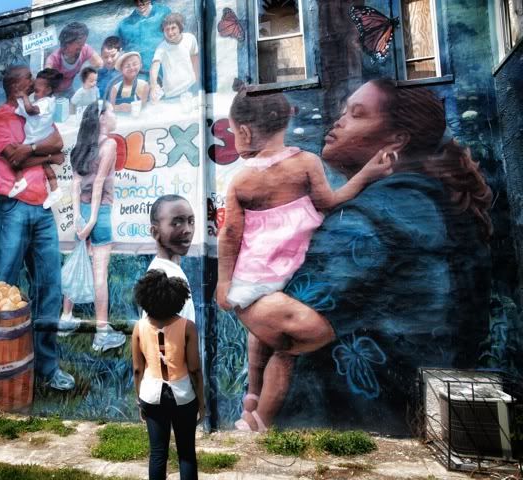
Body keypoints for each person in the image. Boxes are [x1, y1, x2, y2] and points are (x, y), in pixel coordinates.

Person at [219, 79, 493, 434]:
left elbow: (291, 326)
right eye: (344, 110)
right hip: (407, 417)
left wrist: (236, 296)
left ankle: (255, 411)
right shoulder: (424, 201)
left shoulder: (366, 221)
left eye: (356, 114)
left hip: (358, 425)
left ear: (396, 140)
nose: (339, 120)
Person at [216, 89, 393, 431]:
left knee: (262, 335)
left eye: (233, 131)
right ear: (285, 122)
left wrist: (224, 283)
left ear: (246, 132)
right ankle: (260, 420)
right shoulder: (307, 163)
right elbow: (330, 201)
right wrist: (366, 174)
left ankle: (252, 397)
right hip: (289, 275)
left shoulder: (241, 180)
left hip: (252, 279)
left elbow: (230, 234)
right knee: (284, 348)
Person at [0, 65, 75, 391]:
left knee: (50, 287)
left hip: (42, 210)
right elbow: (14, 159)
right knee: (5, 287)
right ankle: (0, 367)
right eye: (28, 78)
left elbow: (59, 147)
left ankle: (47, 369)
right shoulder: (1, 119)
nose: (35, 81)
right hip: (12, 208)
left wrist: (32, 150)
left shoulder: (38, 113)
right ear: (15, 86)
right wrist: (42, 154)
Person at [61, 101, 127, 353]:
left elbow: (75, 184)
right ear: (101, 118)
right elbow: (98, 183)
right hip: (100, 213)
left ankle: (66, 318)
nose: (114, 116)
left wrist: (79, 216)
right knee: (100, 273)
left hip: (83, 212)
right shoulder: (109, 145)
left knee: (77, 261)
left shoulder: (81, 146)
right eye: (111, 111)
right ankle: (101, 333)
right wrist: (91, 221)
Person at [132, 269, 205, 480]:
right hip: (183, 395)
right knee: (186, 454)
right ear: (176, 298)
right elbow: (194, 369)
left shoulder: (139, 327)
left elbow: (137, 369)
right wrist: (201, 402)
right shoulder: (188, 327)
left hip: (151, 395)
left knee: (157, 453)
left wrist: (140, 400)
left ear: (145, 297)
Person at [12, 68, 65, 210]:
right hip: (40, 136)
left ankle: (20, 181)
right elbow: (26, 111)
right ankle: (55, 189)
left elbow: (30, 111)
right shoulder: (44, 100)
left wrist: (24, 97)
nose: (34, 92)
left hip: (37, 138)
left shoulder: (45, 102)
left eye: (37, 89)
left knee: (15, 160)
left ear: (48, 90)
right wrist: (22, 98)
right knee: (45, 165)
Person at [145, 195, 196, 323]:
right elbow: (158, 333)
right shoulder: (162, 278)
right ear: (155, 232)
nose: (188, 230)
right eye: (177, 223)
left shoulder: (170, 270)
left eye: (191, 222)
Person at [149, 13, 199, 102]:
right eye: (167, 29)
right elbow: (154, 67)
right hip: (172, 93)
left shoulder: (190, 38)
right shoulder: (162, 48)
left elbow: (194, 58)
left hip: (191, 87)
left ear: (180, 27)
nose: (170, 32)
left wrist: (197, 80)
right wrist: (153, 86)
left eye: (173, 28)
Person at [45, 22, 103, 97]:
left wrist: (88, 74)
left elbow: (99, 63)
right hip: (54, 93)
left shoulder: (84, 49)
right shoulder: (54, 59)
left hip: (69, 89)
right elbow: (45, 79)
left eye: (84, 42)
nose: (82, 45)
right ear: (67, 43)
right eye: (79, 43)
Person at [117, 0, 171, 73]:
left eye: (143, 0)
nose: (139, 3)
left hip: (165, 68)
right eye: (136, 0)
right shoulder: (124, 25)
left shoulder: (164, 12)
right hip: (139, 73)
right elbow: (120, 51)